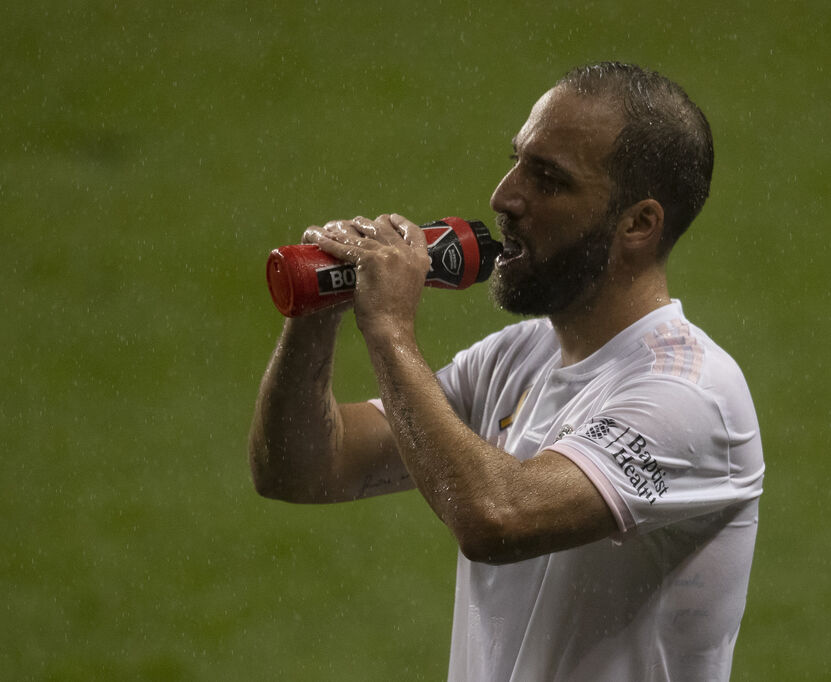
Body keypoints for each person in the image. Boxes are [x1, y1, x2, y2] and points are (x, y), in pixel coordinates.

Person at [249, 62, 765, 681]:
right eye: (518, 160)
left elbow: (496, 517)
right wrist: (317, 315)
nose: (504, 197)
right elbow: (301, 466)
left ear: (638, 224)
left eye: (548, 179)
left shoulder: (691, 394)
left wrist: (389, 329)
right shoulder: (517, 356)